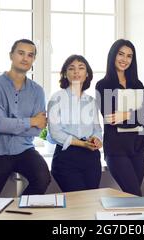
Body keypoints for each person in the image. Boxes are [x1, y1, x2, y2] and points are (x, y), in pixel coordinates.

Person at [0, 39, 51, 197]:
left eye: (30, 55)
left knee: (43, 178)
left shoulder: (37, 91)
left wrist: (2, 126)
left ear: (33, 60)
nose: (25, 58)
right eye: (21, 53)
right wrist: (31, 121)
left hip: (24, 150)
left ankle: (18, 213)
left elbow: (38, 131)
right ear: (11, 55)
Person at [95, 39, 144, 196]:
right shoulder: (103, 85)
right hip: (116, 149)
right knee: (134, 194)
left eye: (129, 56)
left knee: (133, 196)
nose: (124, 59)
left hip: (139, 147)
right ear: (113, 55)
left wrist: (125, 114)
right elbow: (110, 118)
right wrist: (136, 114)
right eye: (121, 54)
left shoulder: (137, 84)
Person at [47, 55, 103, 192]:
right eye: (71, 68)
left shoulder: (91, 101)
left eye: (81, 68)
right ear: (65, 74)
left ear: (87, 74)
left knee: (90, 200)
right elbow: (55, 133)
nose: (76, 72)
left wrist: (97, 139)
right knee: (77, 200)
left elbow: (97, 128)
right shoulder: (57, 98)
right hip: (66, 157)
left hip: (91, 157)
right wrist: (82, 144)